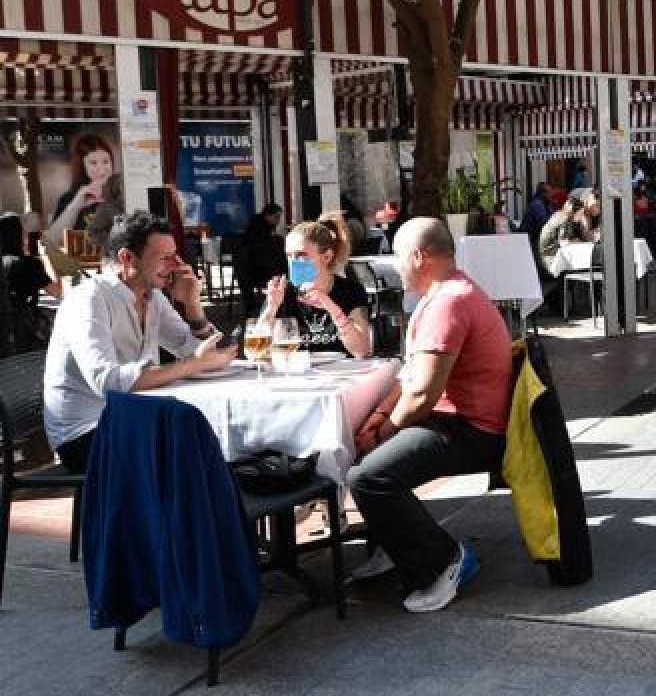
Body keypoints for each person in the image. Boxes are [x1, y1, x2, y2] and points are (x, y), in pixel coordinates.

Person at [346, 218, 512, 613]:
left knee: (368, 477)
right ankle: (395, 546)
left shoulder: (449, 301)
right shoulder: (444, 294)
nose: (396, 264)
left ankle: (445, 562)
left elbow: (423, 393)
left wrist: (384, 431)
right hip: (452, 419)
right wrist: (379, 416)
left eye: (399, 256)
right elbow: (411, 374)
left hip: (472, 430)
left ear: (420, 256)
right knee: (358, 441)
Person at [42, 212, 237, 472]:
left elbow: (199, 352)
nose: (176, 265)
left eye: (175, 255)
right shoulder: (89, 298)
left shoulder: (153, 297)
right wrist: (193, 364)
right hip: (86, 434)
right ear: (126, 257)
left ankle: (238, 504)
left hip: (133, 419)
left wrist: (192, 305)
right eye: (165, 258)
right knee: (196, 446)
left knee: (218, 438)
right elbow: (109, 383)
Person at [258, 214, 372, 359]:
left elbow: (361, 350)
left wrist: (332, 308)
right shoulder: (283, 292)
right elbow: (258, 351)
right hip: (296, 374)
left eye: (301, 255)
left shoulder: (351, 291)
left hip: (339, 374)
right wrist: (271, 308)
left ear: (326, 257)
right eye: (289, 255)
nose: (293, 262)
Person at [47, 134, 115, 249]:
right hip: (82, 264)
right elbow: (52, 241)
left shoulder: (122, 195)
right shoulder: (70, 198)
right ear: (82, 167)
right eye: (93, 163)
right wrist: (75, 205)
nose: (102, 169)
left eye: (106, 161)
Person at [537, 196, 589, 274]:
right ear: (573, 211)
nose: (582, 216)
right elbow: (563, 243)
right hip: (549, 259)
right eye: (581, 213)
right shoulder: (564, 219)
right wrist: (575, 242)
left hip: (549, 255)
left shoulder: (564, 216)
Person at [85, 174, 126, 249]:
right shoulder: (106, 208)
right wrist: (111, 243)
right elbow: (92, 232)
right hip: (117, 255)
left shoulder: (137, 203)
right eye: (123, 185)